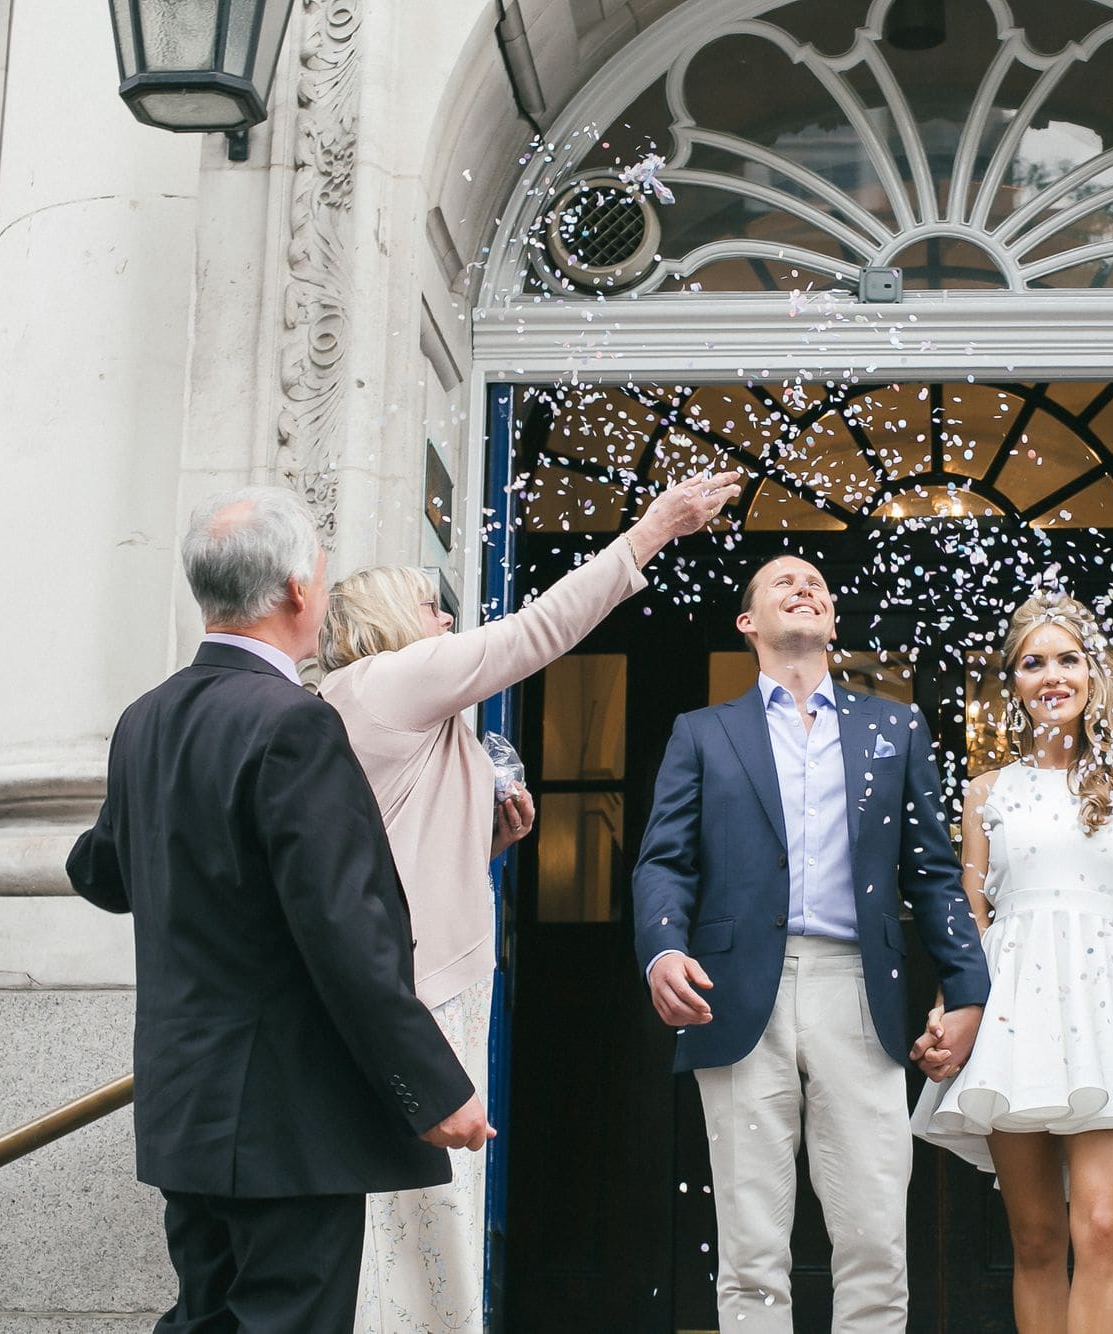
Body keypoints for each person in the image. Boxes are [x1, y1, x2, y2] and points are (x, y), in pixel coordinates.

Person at [316, 469, 738, 1331]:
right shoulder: (387, 680)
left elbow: (395, 850)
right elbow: (538, 629)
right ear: (390, 624)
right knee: (421, 1203)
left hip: (435, 976)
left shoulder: (381, 707)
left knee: (428, 1208)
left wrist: (492, 843)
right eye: (432, 610)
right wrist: (656, 526)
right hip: (423, 989)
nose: (448, 622)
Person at [67, 487, 491, 1332]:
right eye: (324, 579)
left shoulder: (142, 721)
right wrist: (434, 1086)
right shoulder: (294, 725)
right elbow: (344, 931)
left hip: (186, 1106)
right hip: (287, 1121)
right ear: (298, 589)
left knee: (206, 1317)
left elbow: (99, 873)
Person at [632, 554, 991, 1333]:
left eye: (818, 585)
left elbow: (932, 872)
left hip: (859, 991)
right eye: (782, 583)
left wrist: (967, 991)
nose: (807, 588)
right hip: (730, 994)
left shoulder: (894, 727)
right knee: (752, 1246)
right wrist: (663, 950)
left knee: (874, 1235)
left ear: (831, 623)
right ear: (748, 623)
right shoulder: (701, 733)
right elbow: (665, 860)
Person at [910, 591, 1113, 1334]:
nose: (1051, 675)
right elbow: (970, 918)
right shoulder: (987, 792)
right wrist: (946, 1012)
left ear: (1093, 675)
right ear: (1013, 683)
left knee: (1100, 1225)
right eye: (1033, 662)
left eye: (1067, 659)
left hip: (1107, 1010)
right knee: (1035, 1237)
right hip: (1013, 1012)